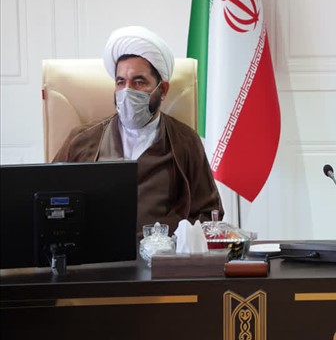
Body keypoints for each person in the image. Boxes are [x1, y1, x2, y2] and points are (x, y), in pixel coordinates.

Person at [53, 26, 223, 236]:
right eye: (121, 82)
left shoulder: (185, 141)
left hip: (163, 252)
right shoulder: (82, 140)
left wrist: (174, 241)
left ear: (163, 90)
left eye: (139, 82)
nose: (127, 91)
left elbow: (209, 214)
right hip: (97, 253)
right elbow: (48, 201)